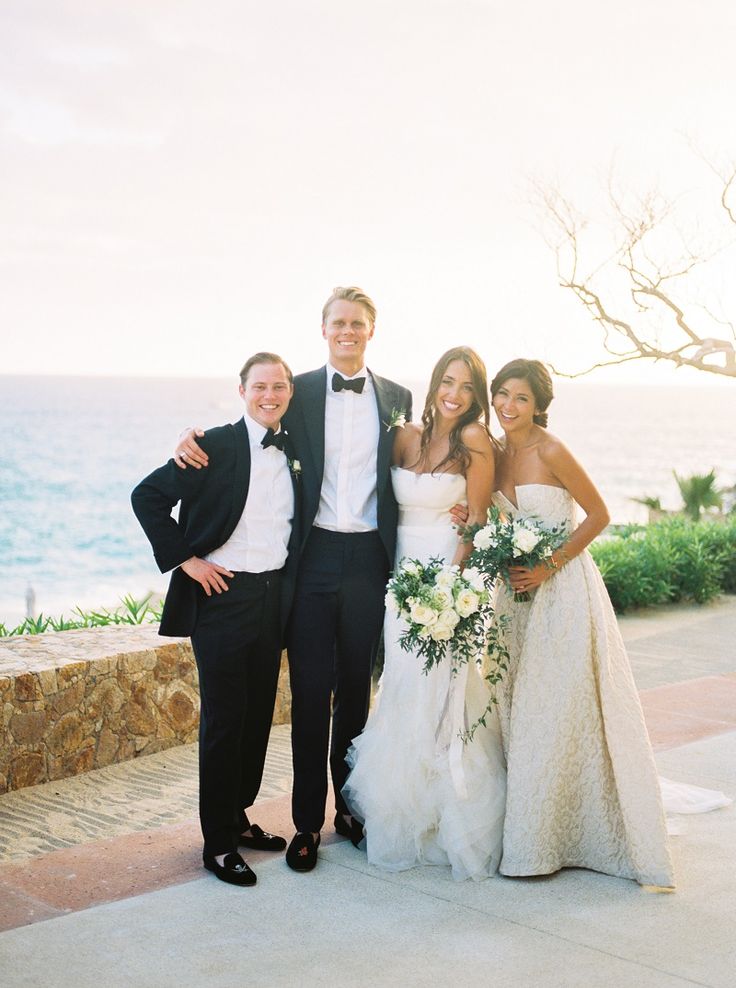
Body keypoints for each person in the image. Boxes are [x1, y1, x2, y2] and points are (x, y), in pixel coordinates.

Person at [174, 288, 415, 872]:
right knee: (309, 693)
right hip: (310, 561)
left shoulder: (400, 399)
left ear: (372, 330)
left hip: (370, 561)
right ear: (324, 329)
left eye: (358, 323)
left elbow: (420, 459)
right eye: (338, 323)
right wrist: (189, 442)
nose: (348, 331)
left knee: (357, 690)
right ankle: (307, 822)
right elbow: (248, 434)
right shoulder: (297, 390)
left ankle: (349, 811)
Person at [489, 358, 676, 888]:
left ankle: (543, 844)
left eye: (521, 398)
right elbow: (494, 519)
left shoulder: (552, 449)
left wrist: (549, 566)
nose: (508, 406)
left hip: (562, 595)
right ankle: (532, 825)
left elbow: (598, 513)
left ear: (538, 405)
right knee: (516, 709)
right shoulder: (497, 453)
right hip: (513, 598)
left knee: (551, 711)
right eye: (502, 394)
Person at [131, 353, 300, 887]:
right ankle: (218, 844)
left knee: (255, 720)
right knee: (225, 721)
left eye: (278, 386)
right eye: (259, 387)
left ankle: (239, 816)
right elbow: (148, 497)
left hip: (273, 597)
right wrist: (187, 560)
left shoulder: (295, 446)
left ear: (290, 392)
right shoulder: (215, 445)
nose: (269, 395)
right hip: (221, 599)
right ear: (242, 390)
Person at [342, 347, 507, 881]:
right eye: (446, 381)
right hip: (399, 579)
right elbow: (357, 473)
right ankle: (400, 813)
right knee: (403, 689)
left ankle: (447, 819)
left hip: (446, 584)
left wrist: (449, 589)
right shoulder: (405, 436)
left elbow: (477, 520)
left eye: (465, 386)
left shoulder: (476, 441)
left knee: (445, 694)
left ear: (476, 396)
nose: (454, 394)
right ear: (434, 383)